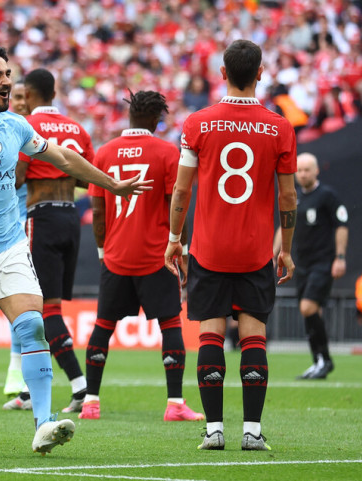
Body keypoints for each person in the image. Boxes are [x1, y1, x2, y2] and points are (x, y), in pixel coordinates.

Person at [0, 44, 152, 455]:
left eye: (8, 73)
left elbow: (62, 156)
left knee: (32, 325)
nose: (8, 81)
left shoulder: (16, 127)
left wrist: (110, 184)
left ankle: (44, 424)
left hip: (10, 247)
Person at [164, 39, 298, 451]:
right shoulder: (279, 127)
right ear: (261, 73)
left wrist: (174, 239)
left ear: (222, 74)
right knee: (254, 335)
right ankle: (253, 432)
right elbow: (288, 198)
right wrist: (286, 248)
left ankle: (214, 430)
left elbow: (182, 191)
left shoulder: (199, 122)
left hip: (209, 249)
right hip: (256, 249)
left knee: (210, 335)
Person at [79, 90, 204, 423]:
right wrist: (184, 249)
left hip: (117, 256)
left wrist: (104, 251)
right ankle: (175, 403)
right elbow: (176, 205)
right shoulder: (166, 152)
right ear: (154, 119)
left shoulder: (104, 153)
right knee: (170, 323)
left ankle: (90, 402)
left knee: (103, 325)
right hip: (156, 256)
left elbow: (98, 209)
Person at [3, 68, 93, 413]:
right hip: (71, 217)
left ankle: (79, 385)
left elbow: (18, 178)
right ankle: (29, 392)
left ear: (31, 93)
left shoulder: (30, 127)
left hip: (40, 217)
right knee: (46, 307)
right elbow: (85, 175)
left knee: (41, 309)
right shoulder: (77, 129)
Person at [274, 152, 348, 380]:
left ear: (316, 171)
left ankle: (324, 360)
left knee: (308, 308)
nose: (303, 174)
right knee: (309, 311)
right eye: (300, 170)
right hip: (302, 264)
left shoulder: (327, 196)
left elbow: (341, 225)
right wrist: (273, 253)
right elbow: (283, 226)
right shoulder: (294, 198)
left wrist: (340, 257)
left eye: (307, 169)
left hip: (323, 262)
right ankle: (319, 361)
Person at [2, 80, 30, 399]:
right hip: (10, 227)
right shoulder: (8, 133)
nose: (20, 102)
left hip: (32, 225)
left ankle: (19, 370)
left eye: (24, 97)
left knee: (25, 300)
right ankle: (14, 367)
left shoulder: (34, 136)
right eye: (16, 97)